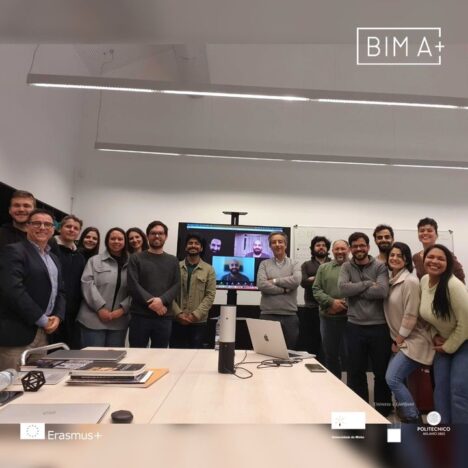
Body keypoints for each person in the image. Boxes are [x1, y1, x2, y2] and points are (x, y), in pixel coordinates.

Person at [0, 209, 65, 370]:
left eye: (47, 224)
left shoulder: (53, 258)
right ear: (27, 226)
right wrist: (42, 319)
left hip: (44, 334)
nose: (42, 227)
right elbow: (13, 290)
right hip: (17, 333)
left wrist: (57, 316)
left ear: (53, 229)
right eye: (36, 223)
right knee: (12, 382)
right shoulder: (14, 251)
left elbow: (61, 291)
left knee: (37, 381)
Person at [338, 232, 392, 416]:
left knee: (381, 372)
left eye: (362, 245)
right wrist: (368, 283)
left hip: (379, 327)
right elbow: (342, 289)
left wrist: (355, 289)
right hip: (354, 326)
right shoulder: (346, 266)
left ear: (368, 247)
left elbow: (382, 291)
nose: (359, 249)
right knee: (355, 372)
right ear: (350, 249)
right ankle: (359, 408)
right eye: (355, 246)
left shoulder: (380, 266)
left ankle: (383, 411)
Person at [384, 242, 435, 423]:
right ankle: (407, 415)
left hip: (413, 341)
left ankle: (413, 417)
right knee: (397, 378)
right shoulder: (391, 280)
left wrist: (398, 342)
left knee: (392, 378)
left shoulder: (410, 281)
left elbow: (410, 316)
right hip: (401, 340)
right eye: (392, 255)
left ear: (406, 260)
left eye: (400, 255)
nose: (395, 258)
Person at [419, 244, 468, 424]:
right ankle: (444, 433)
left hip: (463, 343)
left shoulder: (454, 286)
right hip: (443, 344)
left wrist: (448, 346)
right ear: (424, 259)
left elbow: (466, 322)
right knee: (440, 392)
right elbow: (427, 315)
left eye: (441, 259)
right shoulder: (424, 280)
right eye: (431, 257)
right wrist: (434, 335)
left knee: (459, 393)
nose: (435, 261)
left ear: (448, 264)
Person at [127, 221, 180, 348]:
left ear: (166, 236)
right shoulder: (136, 258)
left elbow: (177, 285)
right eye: (153, 233)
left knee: (160, 355)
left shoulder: (173, 260)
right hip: (140, 316)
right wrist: (154, 303)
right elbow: (133, 284)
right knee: (137, 354)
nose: (157, 236)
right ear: (147, 236)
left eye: (160, 233)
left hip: (164, 316)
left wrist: (161, 300)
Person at [76, 228, 131, 347]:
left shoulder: (132, 263)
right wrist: (100, 308)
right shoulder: (94, 260)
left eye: (120, 239)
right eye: (113, 238)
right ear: (107, 241)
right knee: (93, 357)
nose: (116, 241)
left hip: (119, 321)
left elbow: (135, 290)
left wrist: (123, 309)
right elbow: (87, 283)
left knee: (114, 357)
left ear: (125, 241)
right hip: (93, 319)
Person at [257, 232, 301, 350]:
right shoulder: (264, 264)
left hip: (290, 316)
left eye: (280, 242)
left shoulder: (295, 263)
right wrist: (284, 290)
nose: (277, 245)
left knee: (288, 352)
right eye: (273, 242)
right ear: (270, 246)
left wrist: (274, 280)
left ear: (285, 245)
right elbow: (262, 284)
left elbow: (296, 280)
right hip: (268, 315)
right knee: (266, 351)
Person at [171, 233, 216, 348]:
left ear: (201, 248)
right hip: (177, 321)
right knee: (175, 355)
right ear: (186, 247)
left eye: (197, 243)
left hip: (198, 323)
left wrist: (195, 315)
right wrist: (178, 314)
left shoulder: (209, 269)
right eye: (190, 243)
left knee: (196, 355)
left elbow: (210, 295)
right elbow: (169, 293)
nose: (193, 245)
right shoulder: (175, 267)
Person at [312, 240, 349, 378]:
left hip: (350, 319)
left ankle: (353, 387)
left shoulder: (355, 267)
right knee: (331, 355)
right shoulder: (323, 268)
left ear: (348, 250)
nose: (340, 252)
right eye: (337, 249)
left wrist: (342, 306)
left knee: (352, 355)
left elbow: (360, 290)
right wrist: (331, 302)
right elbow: (316, 289)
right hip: (328, 319)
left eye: (343, 249)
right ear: (332, 251)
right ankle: (335, 385)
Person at [49, 215, 86, 349]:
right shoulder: (50, 249)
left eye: (76, 228)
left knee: (71, 351)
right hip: (52, 312)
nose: (72, 230)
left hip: (72, 313)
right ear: (60, 228)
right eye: (68, 226)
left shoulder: (80, 257)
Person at [299, 236, 331, 356]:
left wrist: (313, 278)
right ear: (313, 248)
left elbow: (336, 282)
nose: (321, 247)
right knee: (312, 343)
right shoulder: (306, 265)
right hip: (311, 308)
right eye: (318, 245)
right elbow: (304, 282)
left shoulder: (333, 264)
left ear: (327, 248)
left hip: (330, 308)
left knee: (329, 344)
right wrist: (324, 277)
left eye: (323, 245)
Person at [413, 217, 465, 283]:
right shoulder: (416, 257)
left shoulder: (446, 254)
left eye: (429, 230)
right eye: (422, 231)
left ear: (436, 235)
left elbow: (460, 276)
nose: (425, 233)